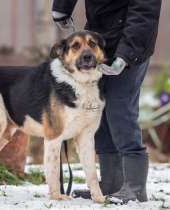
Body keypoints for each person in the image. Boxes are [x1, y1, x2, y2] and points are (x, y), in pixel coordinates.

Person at [51, 0, 162, 204]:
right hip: (100, 37)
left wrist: (126, 56)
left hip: (133, 43)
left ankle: (135, 187)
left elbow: (144, 14)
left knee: (120, 110)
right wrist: (62, 7)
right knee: (99, 111)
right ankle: (111, 183)